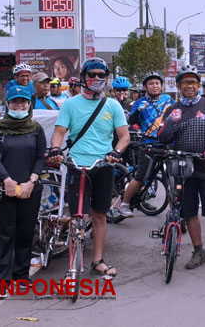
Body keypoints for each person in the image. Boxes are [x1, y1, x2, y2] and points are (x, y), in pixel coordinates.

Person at [47, 57, 130, 279]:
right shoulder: (71, 104)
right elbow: (59, 132)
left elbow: (124, 137)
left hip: (103, 165)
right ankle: (73, 264)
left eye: (101, 75)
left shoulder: (113, 105)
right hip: (76, 165)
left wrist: (116, 153)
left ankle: (98, 260)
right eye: (91, 74)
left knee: (100, 214)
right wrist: (55, 149)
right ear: (83, 77)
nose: (96, 79)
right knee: (77, 216)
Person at [157, 65, 205, 272]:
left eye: (193, 82)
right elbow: (163, 138)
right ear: (178, 86)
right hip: (183, 170)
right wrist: (171, 123)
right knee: (190, 213)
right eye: (185, 82)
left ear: (199, 85)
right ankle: (199, 252)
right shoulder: (172, 109)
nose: (190, 86)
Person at [0, 85, 46, 299]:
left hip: (30, 188)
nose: (19, 105)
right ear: (7, 104)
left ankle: (21, 276)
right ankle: (0, 282)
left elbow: (41, 157)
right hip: (4, 189)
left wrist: (32, 180)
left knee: (24, 233)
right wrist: (6, 180)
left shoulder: (36, 129)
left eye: (23, 101)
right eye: (14, 101)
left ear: (29, 104)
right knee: (2, 235)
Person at [117, 71, 174, 217]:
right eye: (151, 83)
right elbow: (131, 122)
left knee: (172, 178)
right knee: (141, 176)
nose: (155, 86)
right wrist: (137, 112)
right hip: (149, 144)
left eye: (157, 83)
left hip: (167, 144)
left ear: (161, 86)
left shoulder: (169, 100)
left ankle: (174, 210)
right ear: (145, 87)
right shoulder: (139, 102)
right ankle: (125, 204)